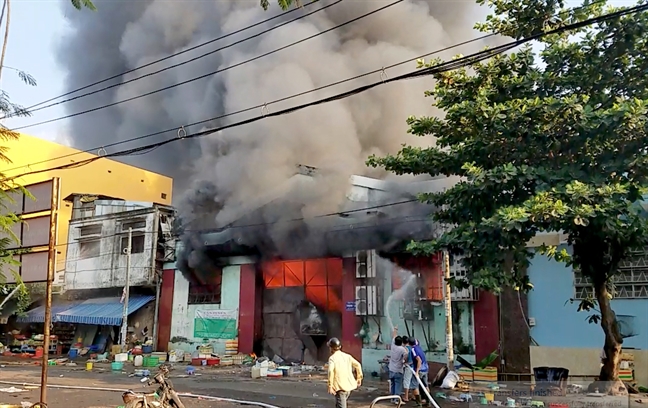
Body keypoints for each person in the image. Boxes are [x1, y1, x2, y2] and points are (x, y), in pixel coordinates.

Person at [327, 337, 363, 408]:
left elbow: (331, 371)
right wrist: (359, 378)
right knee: (339, 404)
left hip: (340, 388)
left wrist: (330, 386)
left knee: (341, 405)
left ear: (331, 348)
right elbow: (358, 365)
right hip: (348, 386)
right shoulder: (347, 356)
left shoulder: (332, 358)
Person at [389, 328, 408, 405]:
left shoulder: (393, 345)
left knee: (393, 384)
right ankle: (397, 400)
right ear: (402, 342)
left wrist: (395, 329)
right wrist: (403, 360)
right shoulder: (402, 349)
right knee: (398, 385)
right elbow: (406, 356)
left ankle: (392, 399)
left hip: (391, 369)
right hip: (398, 370)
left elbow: (394, 335)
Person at [410, 337, 430, 407]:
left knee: (415, 386)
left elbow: (419, 360)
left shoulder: (413, 349)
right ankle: (428, 401)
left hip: (420, 370)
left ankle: (419, 404)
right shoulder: (419, 348)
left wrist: (417, 371)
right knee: (425, 385)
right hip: (425, 369)